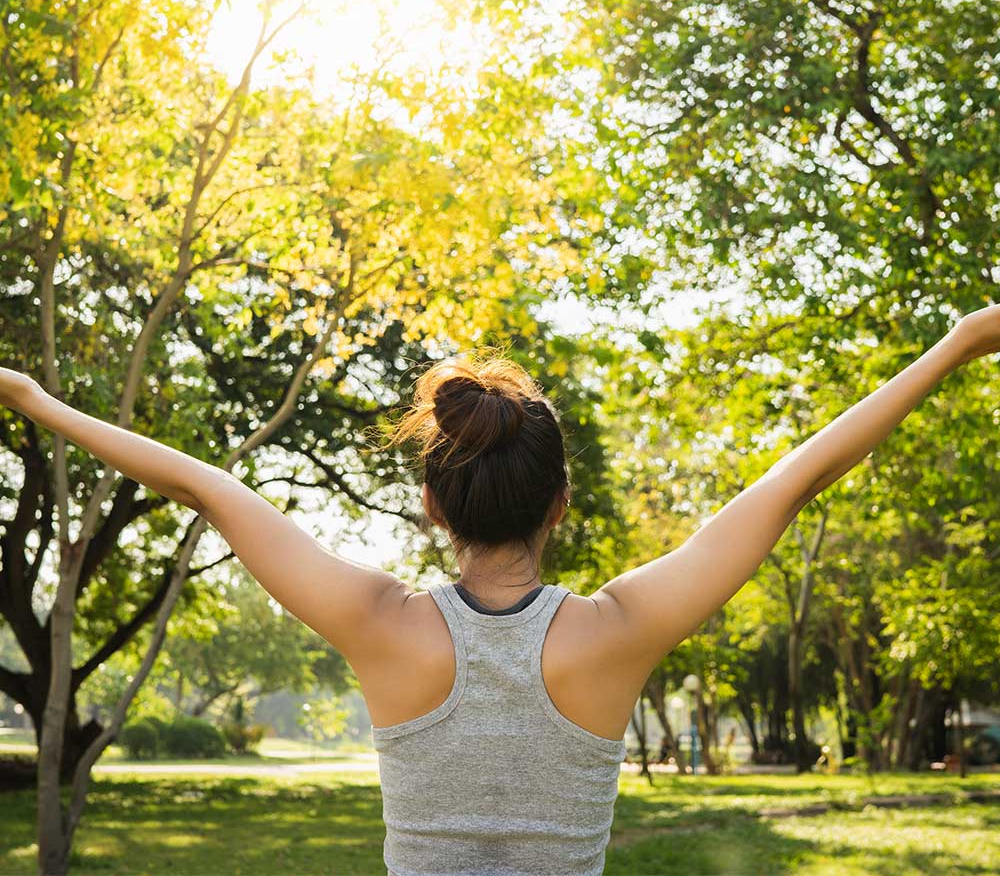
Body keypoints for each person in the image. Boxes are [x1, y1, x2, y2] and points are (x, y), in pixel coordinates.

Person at [1, 303, 998, 875]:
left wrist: (37, 401)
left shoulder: (377, 622)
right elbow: (794, 481)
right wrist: (957, 343)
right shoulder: (619, 629)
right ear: (559, 504)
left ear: (433, 503)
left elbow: (205, 487)